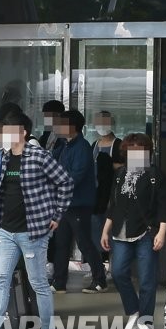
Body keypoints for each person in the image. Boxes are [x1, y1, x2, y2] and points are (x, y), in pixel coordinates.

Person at [0, 112, 73, 329]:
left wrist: (56, 215)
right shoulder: (4, 157)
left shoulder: (38, 156)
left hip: (33, 231)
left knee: (38, 283)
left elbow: (65, 182)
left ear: (23, 132)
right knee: (0, 280)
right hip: (6, 230)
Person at [101, 133, 166, 329]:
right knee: (118, 273)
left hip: (147, 232)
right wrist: (105, 230)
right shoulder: (120, 174)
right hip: (121, 233)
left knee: (147, 279)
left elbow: (164, 206)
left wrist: (162, 232)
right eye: (131, 150)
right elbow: (113, 205)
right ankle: (133, 310)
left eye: (140, 150)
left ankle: (146, 320)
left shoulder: (155, 175)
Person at [50, 110, 106, 294]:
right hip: (65, 204)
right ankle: (59, 282)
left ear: (72, 126)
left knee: (84, 242)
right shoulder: (64, 145)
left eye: (62, 123)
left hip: (79, 204)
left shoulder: (82, 147)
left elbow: (77, 176)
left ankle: (100, 280)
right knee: (62, 242)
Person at [92, 111, 123, 263]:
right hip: (97, 194)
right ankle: (101, 260)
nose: (102, 125)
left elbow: (127, 167)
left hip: (113, 191)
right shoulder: (94, 145)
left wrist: (109, 165)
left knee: (112, 225)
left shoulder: (119, 144)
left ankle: (112, 261)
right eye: (99, 122)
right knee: (97, 226)